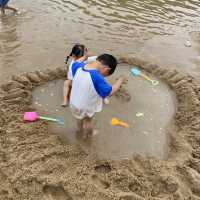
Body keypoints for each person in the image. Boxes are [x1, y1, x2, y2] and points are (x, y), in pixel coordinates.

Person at [70, 54, 126, 138]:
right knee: (88, 120)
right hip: (86, 107)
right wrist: (120, 80)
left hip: (74, 103)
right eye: (105, 75)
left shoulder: (77, 67)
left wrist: (85, 56)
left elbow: (76, 61)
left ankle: (79, 130)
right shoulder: (97, 78)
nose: (103, 76)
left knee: (79, 118)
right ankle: (90, 133)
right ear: (106, 69)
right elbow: (109, 92)